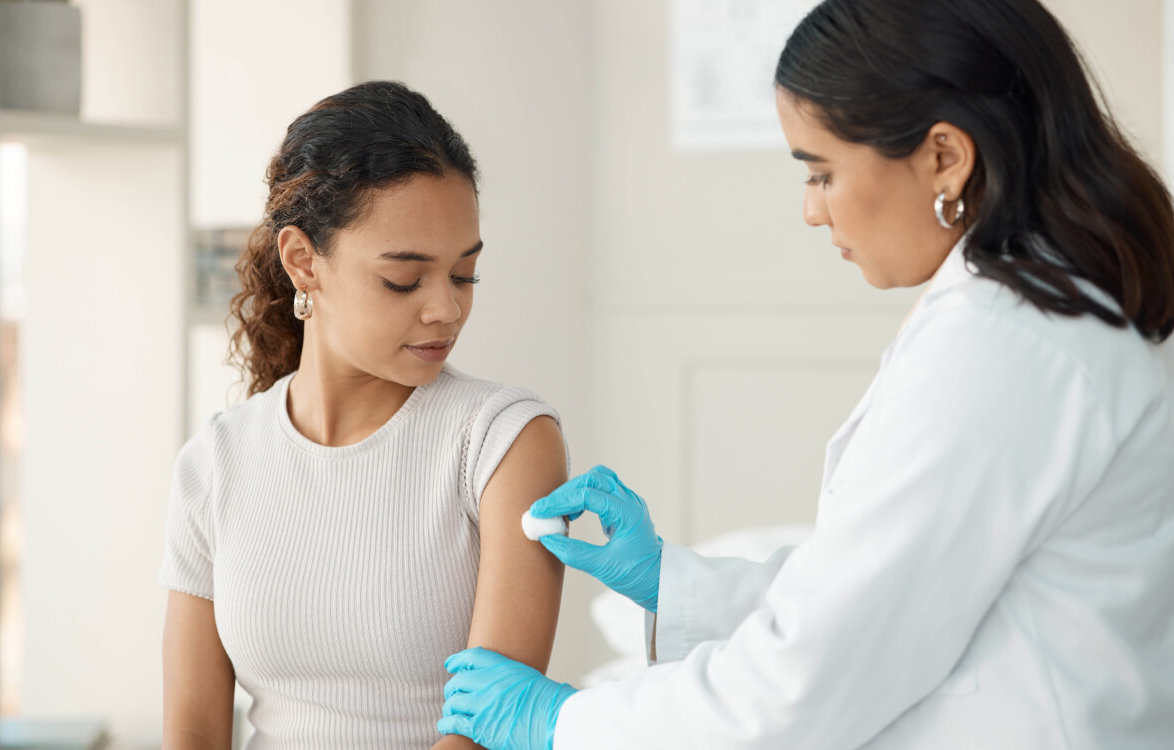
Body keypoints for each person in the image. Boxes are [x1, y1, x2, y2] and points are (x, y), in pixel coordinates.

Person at [436, 1, 1174, 748]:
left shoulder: (1005, 345)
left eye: (822, 173)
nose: (811, 212)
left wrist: (562, 720)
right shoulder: (1053, 306)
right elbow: (883, 590)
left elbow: (807, 683)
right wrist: (674, 584)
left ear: (945, 156)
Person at [161, 81, 569, 749]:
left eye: (464, 274)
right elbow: (194, 735)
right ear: (302, 262)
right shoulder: (217, 462)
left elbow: (488, 732)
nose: (446, 309)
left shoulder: (503, 443)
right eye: (403, 280)